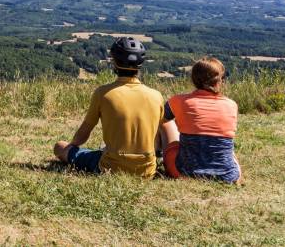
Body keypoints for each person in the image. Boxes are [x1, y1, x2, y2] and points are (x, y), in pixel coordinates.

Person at [53, 37, 164, 178]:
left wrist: (71, 146)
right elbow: (159, 135)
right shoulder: (156, 96)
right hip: (146, 170)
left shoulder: (103, 93)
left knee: (59, 146)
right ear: (140, 64)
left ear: (114, 62)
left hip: (111, 167)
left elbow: (84, 132)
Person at [160, 56, 242, 184]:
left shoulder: (178, 101)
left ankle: (154, 154)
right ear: (220, 81)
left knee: (166, 122)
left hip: (183, 172)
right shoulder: (231, 105)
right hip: (228, 176)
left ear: (194, 79)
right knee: (227, 149)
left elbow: (161, 118)